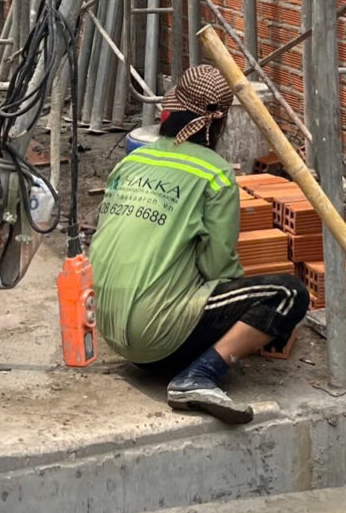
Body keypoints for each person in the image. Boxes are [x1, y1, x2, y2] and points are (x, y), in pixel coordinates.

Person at [88, 65, 309, 425]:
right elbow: (217, 265)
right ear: (218, 123)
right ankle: (199, 376)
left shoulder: (132, 162)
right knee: (287, 295)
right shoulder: (214, 173)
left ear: (170, 111)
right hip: (154, 339)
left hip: (108, 327)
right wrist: (250, 320)